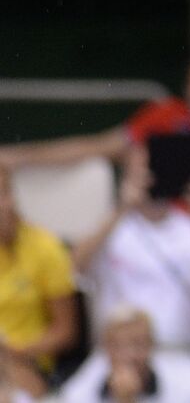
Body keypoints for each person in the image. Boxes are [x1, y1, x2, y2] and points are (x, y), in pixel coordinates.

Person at [0, 52, 190, 225]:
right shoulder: (164, 116)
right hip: (149, 235)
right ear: (189, 90)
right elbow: (96, 146)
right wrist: (16, 156)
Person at [72, 148, 190, 353]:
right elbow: (74, 267)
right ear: (126, 176)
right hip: (115, 357)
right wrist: (121, 208)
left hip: (180, 355)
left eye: (156, 168)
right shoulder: (110, 229)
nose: (150, 178)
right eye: (141, 172)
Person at [0, 164, 78, 397]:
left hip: (26, 361)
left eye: (3, 192)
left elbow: (65, 332)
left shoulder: (45, 248)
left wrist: (12, 351)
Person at [59, 307, 190, 403]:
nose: (129, 355)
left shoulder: (189, 375)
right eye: (119, 346)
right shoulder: (87, 382)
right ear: (106, 349)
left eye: (137, 344)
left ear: (152, 345)